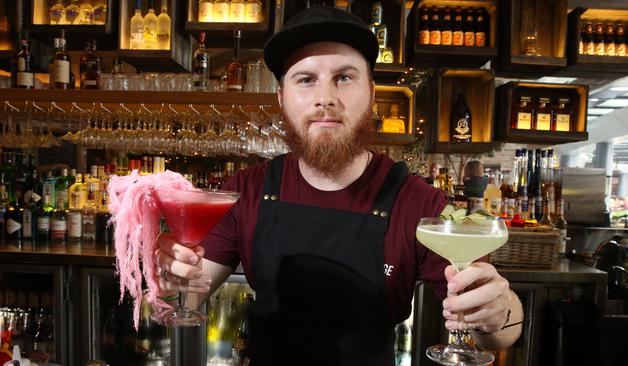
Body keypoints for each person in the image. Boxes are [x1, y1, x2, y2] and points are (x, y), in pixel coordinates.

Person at [153, 5, 522, 364]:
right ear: (282, 98)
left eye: (344, 77)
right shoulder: (247, 189)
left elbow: (501, 332)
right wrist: (167, 285)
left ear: (372, 95)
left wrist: (498, 310)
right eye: (306, 79)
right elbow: (185, 298)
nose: (325, 98)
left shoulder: (421, 203)